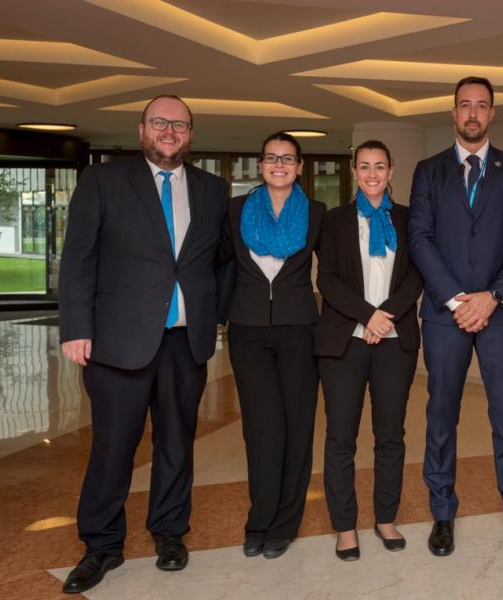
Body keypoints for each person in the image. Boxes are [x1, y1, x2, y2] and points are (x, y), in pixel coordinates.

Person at [58, 95, 227, 594]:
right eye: (160, 123)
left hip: (184, 342)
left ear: (190, 133)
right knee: (114, 449)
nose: (169, 131)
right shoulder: (103, 181)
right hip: (117, 342)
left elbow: (220, 261)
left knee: (176, 444)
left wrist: (211, 315)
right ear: (142, 129)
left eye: (179, 124)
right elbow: (78, 257)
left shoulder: (212, 189)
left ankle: (170, 532)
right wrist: (75, 327)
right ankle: (102, 545)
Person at [409, 76, 503, 556]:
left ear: (493, 113)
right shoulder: (428, 171)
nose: (473, 114)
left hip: (501, 314)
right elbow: (420, 239)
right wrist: (458, 299)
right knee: (441, 415)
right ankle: (442, 512)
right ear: (453, 111)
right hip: (446, 316)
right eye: (465, 105)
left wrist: (492, 296)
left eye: (482, 106)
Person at [314, 139, 423, 561]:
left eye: (380, 166)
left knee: (390, 436)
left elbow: (417, 275)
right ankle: (345, 525)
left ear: (391, 170)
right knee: (341, 437)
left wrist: (388, 315)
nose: (372, 174)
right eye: (364, 167)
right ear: (354, 172)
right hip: (345, 340)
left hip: (395, 343)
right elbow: (329, 279)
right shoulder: (336, 220)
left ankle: (385, 517)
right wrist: (368, 316)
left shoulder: (409, 220)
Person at [219, 131, 325, 560]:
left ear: (299, 167)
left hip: (300, 329)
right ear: (260, 165)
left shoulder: (317, 214)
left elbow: (337, 272)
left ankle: (285, 523)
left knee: (298, 426)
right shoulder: (235, 211)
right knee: (262, 428)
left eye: (287, 158)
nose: (278, 164)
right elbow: (220, 265)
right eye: (270, 158)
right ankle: (259, 520)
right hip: (247, 329)